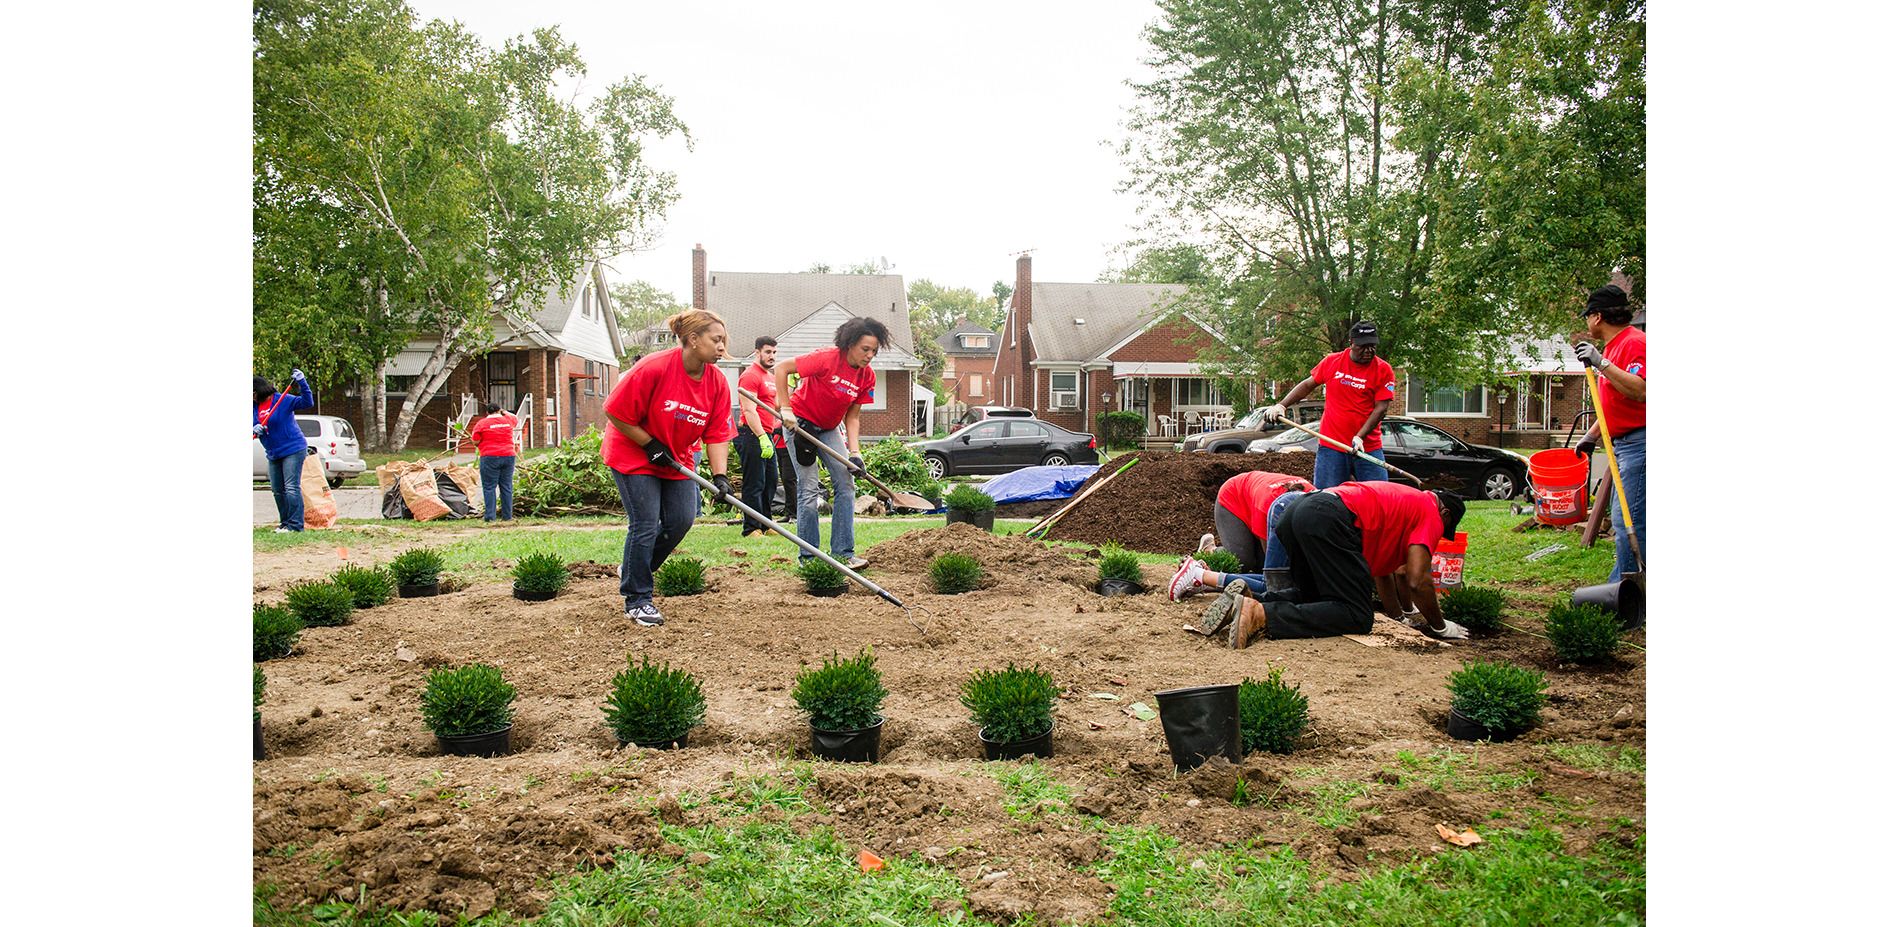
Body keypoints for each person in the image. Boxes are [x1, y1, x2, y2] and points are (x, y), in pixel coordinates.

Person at [1203, 481, 1469, 647]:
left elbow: (1396, 573)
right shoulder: (1431, 513)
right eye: (1445, 529)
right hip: (1327, 517)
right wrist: (1440, 627)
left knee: (1315, 596)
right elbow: (1417, 579)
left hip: (1298, 510)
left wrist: (1404, 616)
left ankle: (1252, 600)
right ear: (1445, 513)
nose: (1439, 536)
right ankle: (1261, 615)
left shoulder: (1405, 501)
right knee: (1357, 616)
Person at [602, 309, 737, 627]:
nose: (721, 346)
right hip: (633, 453)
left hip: (675, 457)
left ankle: (635, 567)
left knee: (680, 520)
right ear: (693, 339)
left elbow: (717, 433)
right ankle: (637, 599)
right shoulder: (654, 367)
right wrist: (649, 444)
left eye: (723, 340)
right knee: (646, 523)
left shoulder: (716, 382)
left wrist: (720, 475)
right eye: (716, 340)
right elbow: (615, 411)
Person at [773, 317, 890, 571]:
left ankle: (843, 553)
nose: (870, 356)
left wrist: (855, 452)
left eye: (874, 351)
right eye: (865, 349)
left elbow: (853, 416)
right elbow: (781, 368)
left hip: (828, 428)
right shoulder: (826, 358)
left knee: (846, 483)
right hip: (800, 424)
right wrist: (785, 408)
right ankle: (810, 558)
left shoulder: (867, 377)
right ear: (849, 344)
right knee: (809, 489)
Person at [1259, 320, 1396, 489]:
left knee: (1379, 497)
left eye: (1372, 346)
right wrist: (1281, 405)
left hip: (1367, 447)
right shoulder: (1333, 362)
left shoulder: (1383, 369)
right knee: (1325, 497)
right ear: (1351, 343)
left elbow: (1381, 408)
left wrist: (1360, 436)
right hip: (1332, 446)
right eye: (1363, 346)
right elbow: (1308, 385)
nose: (1369, 350)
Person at [1573, 284, 1645, 583]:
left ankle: (1628, 591)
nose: (1586, 322)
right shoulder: (1613, 347)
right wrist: (1591, 436)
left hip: (1640, 443)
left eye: (1587, 316)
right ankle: (1625, 586)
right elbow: (1613, 404)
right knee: (1627, 517)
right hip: (1623, 443)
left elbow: (1641, 391)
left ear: (1598, 316)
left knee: (1630, 519)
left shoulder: (1634, 343)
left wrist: (1601, 363)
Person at [1167, 471, 1315, 601]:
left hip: (1255, 497)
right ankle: (1209, 551)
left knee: (1271, 565)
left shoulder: (1316, 502)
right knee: (1243, 562)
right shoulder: (1269, 509)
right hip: (1234, 499)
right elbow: (1272, 567)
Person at [254, 369, 315, 533]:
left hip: (293, 448)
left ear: (258, 391)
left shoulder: (282, 400)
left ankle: (295, 526)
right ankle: (285, 523)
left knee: (291, 487)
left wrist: (302, 382)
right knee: (277, 490)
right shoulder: (254, 406)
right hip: (273, 452)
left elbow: (307, 402)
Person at [734, 336, 781, 537]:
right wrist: (761, 436)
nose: (772, 356)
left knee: (771, 481)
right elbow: (749, 409)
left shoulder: (769, 377)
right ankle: (751, 527)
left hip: (767, 435)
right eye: (768, 352)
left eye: (774, 352)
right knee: (754, 483)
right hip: (751, 434)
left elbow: (777, 404)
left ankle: (765, 523)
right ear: (757, 352)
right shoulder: (750, 376)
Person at [468, 401, 519, 523]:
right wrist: (504, 411)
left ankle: (490, 517)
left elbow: (476, 441)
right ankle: (507, 516)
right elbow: (514, 418)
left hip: (489, 457)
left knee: (489, 487)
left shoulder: (482, 424)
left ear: (487, 412)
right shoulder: (508, 421)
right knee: (506, 487)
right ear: (499, 410)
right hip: (508, 455)